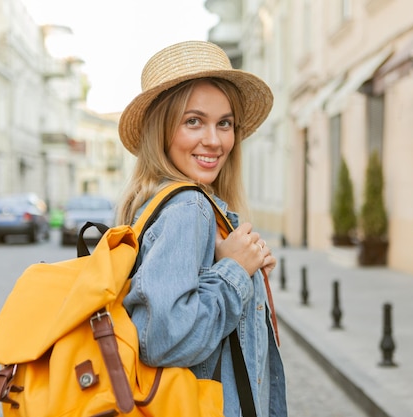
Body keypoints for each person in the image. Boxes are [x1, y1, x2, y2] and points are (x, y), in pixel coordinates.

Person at [116, 40, 288, 417]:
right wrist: (234, 273)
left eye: (224, 123)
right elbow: (161, 338)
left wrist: (244, 268)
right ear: (161, 130)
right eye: (193, 121)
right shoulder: (188, 207)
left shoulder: (156, 204)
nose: (214, 140)